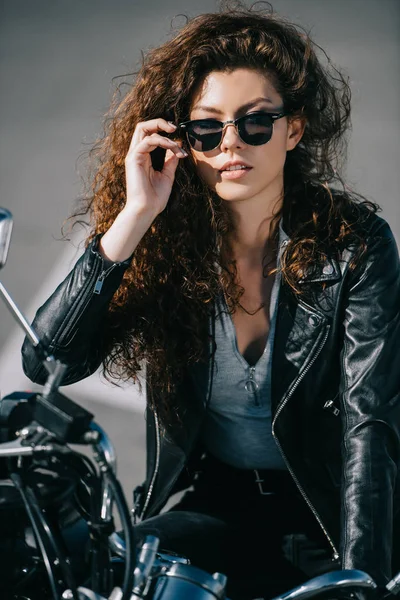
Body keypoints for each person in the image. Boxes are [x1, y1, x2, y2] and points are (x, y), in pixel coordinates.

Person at [21, 3, 400, 599]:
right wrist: (135, 216)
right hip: (216, 497)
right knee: (107, 575)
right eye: (207, 128)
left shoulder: (353, 246)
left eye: (255, 123)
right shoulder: (165, 240)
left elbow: (368, 422)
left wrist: (363, 576)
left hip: (328, 509)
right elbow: (49, 363)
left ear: (293, 129)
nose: (230, 144)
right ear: (183, 140)